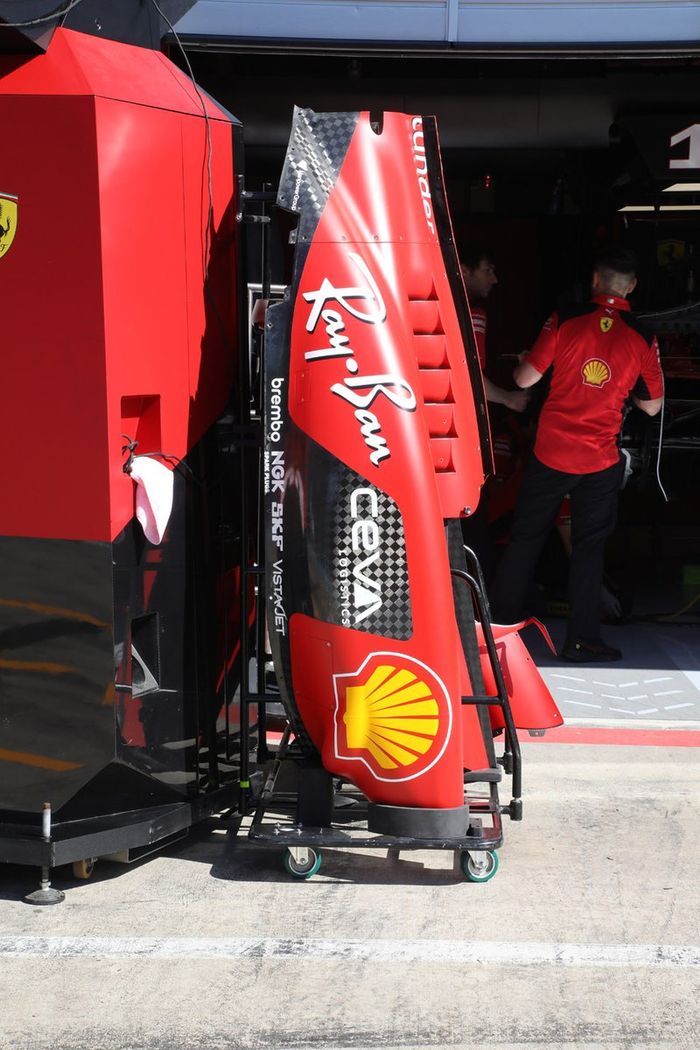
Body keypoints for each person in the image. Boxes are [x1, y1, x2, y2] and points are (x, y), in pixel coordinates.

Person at [489, 246, 664, 662]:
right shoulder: (642, 336)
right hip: (599, 461)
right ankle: (582, 641)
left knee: (525, 539)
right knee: (589, 549)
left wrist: (530, 363)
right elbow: (652, 406)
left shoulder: (564, 319)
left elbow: (524, 377)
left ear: (594, 281)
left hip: (551, 452)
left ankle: (496, 632)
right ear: (632, 287)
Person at [460, 247, 529, 412]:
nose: (494, 279)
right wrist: (509, 399)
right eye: (487, 270)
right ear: (463, 271)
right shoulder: (474, 315)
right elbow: (470, 374)